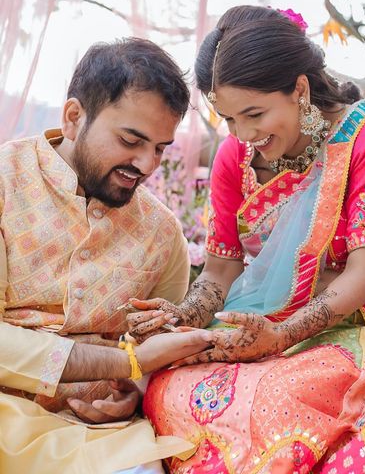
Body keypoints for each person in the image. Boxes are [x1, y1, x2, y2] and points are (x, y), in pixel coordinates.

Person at [129, 7, 365, 473]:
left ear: (299, 89)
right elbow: (222, 269)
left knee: (275, 401)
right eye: (228, 119)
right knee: (167, 387)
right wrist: (183, 316)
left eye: (254, 114)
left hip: (350, 318)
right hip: (260, 322)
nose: (243, 134)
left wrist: (281, 337)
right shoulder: (235, 156)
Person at [0, 37, 216, 474]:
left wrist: (134, 389)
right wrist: (127, 362)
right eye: (131, 139)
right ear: (75, 117)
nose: (147, 164)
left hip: (97, 438)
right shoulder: (5, 183)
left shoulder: (162, 233)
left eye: (159, 148)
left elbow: (155, 345)